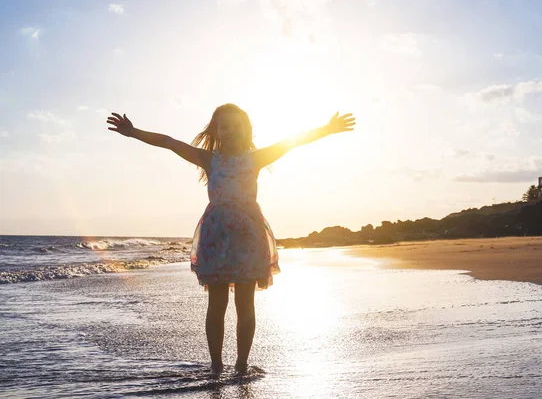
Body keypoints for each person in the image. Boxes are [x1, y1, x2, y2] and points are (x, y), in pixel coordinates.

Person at [106, 104, 355, 374]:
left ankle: (241, 364)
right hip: (216, 235)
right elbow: (169, 142)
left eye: (237, 126)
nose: (231, 130)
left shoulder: (256, 158)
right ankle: (215, 365)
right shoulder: (209, 159)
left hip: (248, 235)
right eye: (225, 126)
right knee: (217, 304)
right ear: (217, 131)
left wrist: (328, 130)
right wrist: (133, 132)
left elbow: (291, 142)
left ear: (246, 129)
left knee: (245, 303)